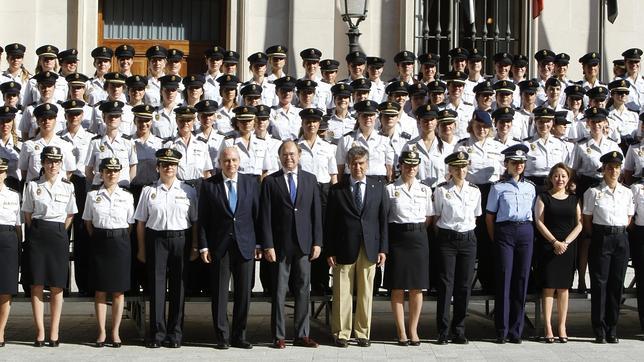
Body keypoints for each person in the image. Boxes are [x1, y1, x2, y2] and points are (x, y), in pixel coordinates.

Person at [259, 140, 322, 349]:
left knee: (303, 289)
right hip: (280, 246)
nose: (289, 158)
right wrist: (267, 245)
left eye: (293, 154)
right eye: (285, 154)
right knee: (279, 290)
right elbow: (265, 217)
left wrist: (317, 242)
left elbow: (316, 215)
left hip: (304, 244)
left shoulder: (311, 180)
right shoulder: (270, 182)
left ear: (300, 154)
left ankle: (302, 334)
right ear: (279, 157)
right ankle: (279, 335)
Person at [134, 148, 198, 348]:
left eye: (172, 164)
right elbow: (141, 223)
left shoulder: (189, 190)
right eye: (164, 164)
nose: (168, 168)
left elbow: (195, 221)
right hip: (157, 240)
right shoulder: (148, 191)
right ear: (157, 167)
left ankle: (176, 334)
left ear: (177, 167)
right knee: (156, 287)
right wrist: (142, 249)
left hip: (181, 239)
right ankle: (157, 334)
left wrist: (195, 245)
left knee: (179, 288)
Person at [325, 146, 388, 348]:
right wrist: (330, 250)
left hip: (370, 247)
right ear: (348, 166)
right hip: (343, 247)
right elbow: (330, 223)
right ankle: (342, 333)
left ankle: (362, 332)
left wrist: (383, 249)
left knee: (366, 292)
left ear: (367, 164)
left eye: (361, 163)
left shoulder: (378, 187)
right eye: (354, 164)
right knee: (342, 291)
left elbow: (382, 220)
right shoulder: (337, 189)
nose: (358, 167)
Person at [198, 146, 260, 350]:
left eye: (234, 160)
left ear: (239, 161)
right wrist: (204, 246)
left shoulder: (251, 182)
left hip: (245, 245)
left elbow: (257, 215)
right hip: (219, 246)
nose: (230, 164)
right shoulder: (209, 186)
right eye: (226, 161)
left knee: (244, 293)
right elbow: (203, 219)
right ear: (219, 163)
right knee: (220, 293)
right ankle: (222, 336)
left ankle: (239, 335)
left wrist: (258, 243)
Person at [21, 146, 77, 347]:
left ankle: (54, 331)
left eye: (56, 161)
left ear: (61, 163)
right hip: (37, 234)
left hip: (58, 234)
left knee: (56, 284)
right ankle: (40, 332)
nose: (53, 165)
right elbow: (27, 213)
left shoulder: (67, 186)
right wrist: (37, 230)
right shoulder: (32, 185)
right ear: (42, 163)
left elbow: (70, 214)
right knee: (36, 283)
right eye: (49, 161)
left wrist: (60, 232)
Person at [485, 144, 536, 344]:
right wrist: (495, 238)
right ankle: (502, 329)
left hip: (525, 231)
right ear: (506, 164)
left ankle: (517, 330)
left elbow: (534, 214)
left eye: (521, 163)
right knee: (505, 279)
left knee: (521, 279)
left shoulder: (530, 187)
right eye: (514, 163)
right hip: (504, 231)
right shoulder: (498, 187)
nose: (518, 166)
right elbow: (490, 216)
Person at [82, 157, 135, 348]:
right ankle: (102, 332)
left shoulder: (127, 197)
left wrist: (117, 236)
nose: (111, 174)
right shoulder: (92, 196)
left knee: (119, 291)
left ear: (119, 173)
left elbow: (130, 224)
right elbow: (88, 223)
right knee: (100, 290)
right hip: (99, 242)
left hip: (120, 242)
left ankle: (116, 332)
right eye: (107, 171)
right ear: (101, 173)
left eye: (115, 171)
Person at [583, 151, 634, 344]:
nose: (613, 171)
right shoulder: (593, 192)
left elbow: (629, 218)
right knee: (599, 284)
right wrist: (597, 235)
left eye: (617, 167)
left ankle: (612, 328)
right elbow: (587, 219)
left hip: (620, 238)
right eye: (610, 168)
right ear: (603, 170)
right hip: (601, 237)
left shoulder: (627, 192)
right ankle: (599, 329)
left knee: (616, 285)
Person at [384, 150, 433, 346]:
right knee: (397, 287)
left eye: (414, 165)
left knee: (416, 287)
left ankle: (413, 329)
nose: (411, 168)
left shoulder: (425, 190)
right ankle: (401, 330)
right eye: (407, 164)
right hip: (397, 238)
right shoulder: (389, 189)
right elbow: (385, 217)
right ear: (400, 166)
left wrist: (417, 230)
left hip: (419, 238)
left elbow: (429, 217)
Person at [433, 151, 481, 345]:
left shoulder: (475, 190)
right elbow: (436, 217)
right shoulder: (441, 190)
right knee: (446, 285)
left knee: (464, 286)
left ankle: (459, 330)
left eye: (464, 166)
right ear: (450, 170)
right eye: (456, 167)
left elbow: (475, 216)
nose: (461, 170)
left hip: (468, 239)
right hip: (447, 240)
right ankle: (443, 331)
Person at [572, 107, 621, 292]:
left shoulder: (613, 145)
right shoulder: (581, 145)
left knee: (603, 235)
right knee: (586, 236)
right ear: (588, 124)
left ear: (605, 123)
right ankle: (582, 280)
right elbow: (575, 171)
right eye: (592, 122)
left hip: (608, 186)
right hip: (588, 187)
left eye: (599, 121)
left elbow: (619, 171)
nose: (596, 125)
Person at [534, 163, 582, 343]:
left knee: (563, 288)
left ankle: (561, 326)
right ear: (550, 178)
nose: (559, 179)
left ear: (568, 179)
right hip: (549, 246)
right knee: (548, 287)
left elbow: (580, 224)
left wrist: (566, 243)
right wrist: (554, 242)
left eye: (563, 176)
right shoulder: (543, 197)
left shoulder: (574, 199)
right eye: (556, 176)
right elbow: (539, 222)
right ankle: (548, 327)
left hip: (567, 247)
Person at [297, 108, 338, 295]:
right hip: (303, 192)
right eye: (308, 121)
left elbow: (333, 176)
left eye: (314, 121)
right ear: (302, 123)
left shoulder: (328, 148)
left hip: (323, 192)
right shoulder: (296, 148)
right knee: (305, 234)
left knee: (320, 235)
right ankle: (302, 281)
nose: (311, 124)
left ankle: (320, 281)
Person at [0, 157, 21, 347]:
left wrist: (19, 246)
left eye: (1, 172)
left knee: (6, 288)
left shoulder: (13, 196)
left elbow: (18, 225)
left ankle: (0, 331)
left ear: (5, 174)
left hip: (7, 239)